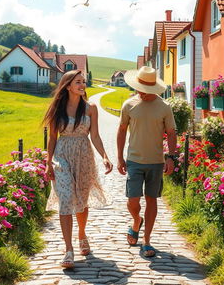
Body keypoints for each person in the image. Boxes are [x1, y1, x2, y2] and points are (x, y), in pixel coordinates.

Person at [43, 69, 113, 268]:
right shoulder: (57, 108)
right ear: (67, 86)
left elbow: (95, 136)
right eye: (78, 82)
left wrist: (105, 157)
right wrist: (48, 163)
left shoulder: (91, 108)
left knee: (81, 201)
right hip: (62, 156)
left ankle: (82, 233)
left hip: (84, 156)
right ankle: (68, 249)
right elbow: (53, 138)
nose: (82, 85)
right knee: (65, 200)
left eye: (84, 81)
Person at [117, 66, 177, 257]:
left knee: (152, 200)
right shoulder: (129, 105)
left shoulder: (164, 107)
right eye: (139, 88)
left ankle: (147, 241)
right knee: (132, 201)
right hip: (134, 160)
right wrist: (119, 157)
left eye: (145, 90)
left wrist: (171, 157)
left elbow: (172, 133)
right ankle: (136, 221)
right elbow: (121, 130)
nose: (141, 93)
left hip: (156, 162)